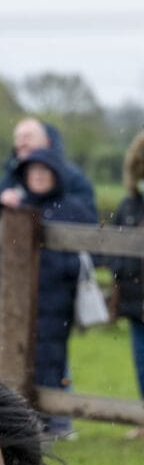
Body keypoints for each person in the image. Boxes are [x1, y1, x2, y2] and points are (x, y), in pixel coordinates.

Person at [0, 148, 98, 439]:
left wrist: (59, 266)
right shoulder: (13, 202)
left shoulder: (71, 208)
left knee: (48, 359)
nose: (39, 177)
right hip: (7, 300)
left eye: (45, 172)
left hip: (53, 301)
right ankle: (3, 421)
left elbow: (91, 245)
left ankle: (51, 423)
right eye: (33, 172)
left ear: (56, 175)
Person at [103, 131, 144, 439]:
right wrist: (121, 272)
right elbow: (110, 246)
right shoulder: (129, 206)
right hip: (135, 300)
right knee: (142, 363)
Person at [0, 117, 97, 218]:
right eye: (18, 137)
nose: (22, 143)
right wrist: (0, 201)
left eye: (28, 137)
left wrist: (44, 210)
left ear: (46, 142)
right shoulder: (10, 175)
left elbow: (85, 218)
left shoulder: (74, 177)